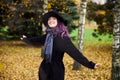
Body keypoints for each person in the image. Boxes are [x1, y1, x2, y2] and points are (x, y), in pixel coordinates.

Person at [21, 10, 101, 80]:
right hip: (44, 69)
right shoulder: (48, 36)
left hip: (56, 71)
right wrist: (26, 39)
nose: (51, 21)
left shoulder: (63, 39)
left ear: (58, 22)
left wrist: (91, 65)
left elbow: (76, 54)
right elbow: (36, 39)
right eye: (49, 19)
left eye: (54, 19)